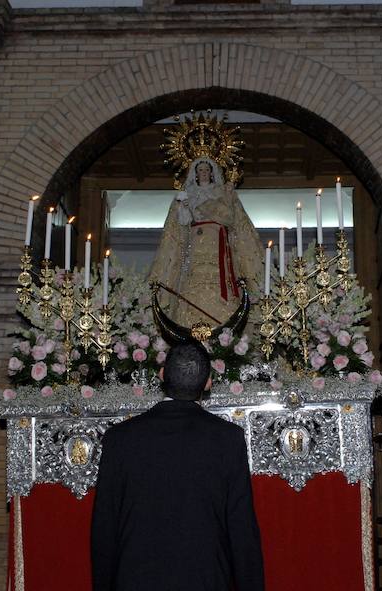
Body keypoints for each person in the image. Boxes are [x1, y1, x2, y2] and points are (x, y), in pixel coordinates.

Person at [91, 342, 264, 591]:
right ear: (208, 383)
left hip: (135, 579)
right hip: (205, 579)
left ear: (161, 375)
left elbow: (104, 528)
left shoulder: (120, 437)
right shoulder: (227, 438)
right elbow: (242, 529)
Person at [148, 156, 263, 328]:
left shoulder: (221, 191)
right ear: (195, 173)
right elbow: (182, 223)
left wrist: (221, 201)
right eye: (200, 170)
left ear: (212, 172)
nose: (204, 173)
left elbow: (230, 218)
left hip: (217, 241)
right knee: (192, 274)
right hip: (195, 241)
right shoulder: (188, 192)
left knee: (220, 274)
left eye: (207, 170)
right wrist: (184, 208)